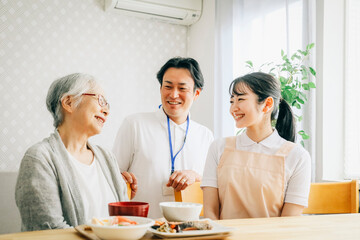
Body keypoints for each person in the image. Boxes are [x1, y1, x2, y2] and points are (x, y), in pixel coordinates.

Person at [15, 73, 128, 231]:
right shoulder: (39, 158)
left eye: (107, 104)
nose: (106, 111)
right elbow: (48, 230)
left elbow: (125, 221)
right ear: (69, 102)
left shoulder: (107, 157)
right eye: (100, 100)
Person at [113, 57, 214, 218]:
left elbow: (212, 185)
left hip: (188, 230)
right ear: (160, 88)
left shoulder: (205, 135)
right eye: (168, 86)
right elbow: (112, 176)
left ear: (196, 93)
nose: (174, 94)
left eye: (182, 88)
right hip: (141, 227)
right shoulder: (134, 124)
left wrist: (195, 176)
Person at [202, 72, 311, 220]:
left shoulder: (297, 156)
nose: (233, 108)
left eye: (240, 99)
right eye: (231, 101)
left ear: (267, 104)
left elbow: (289, 222)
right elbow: (211, 212)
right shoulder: (218, 148)